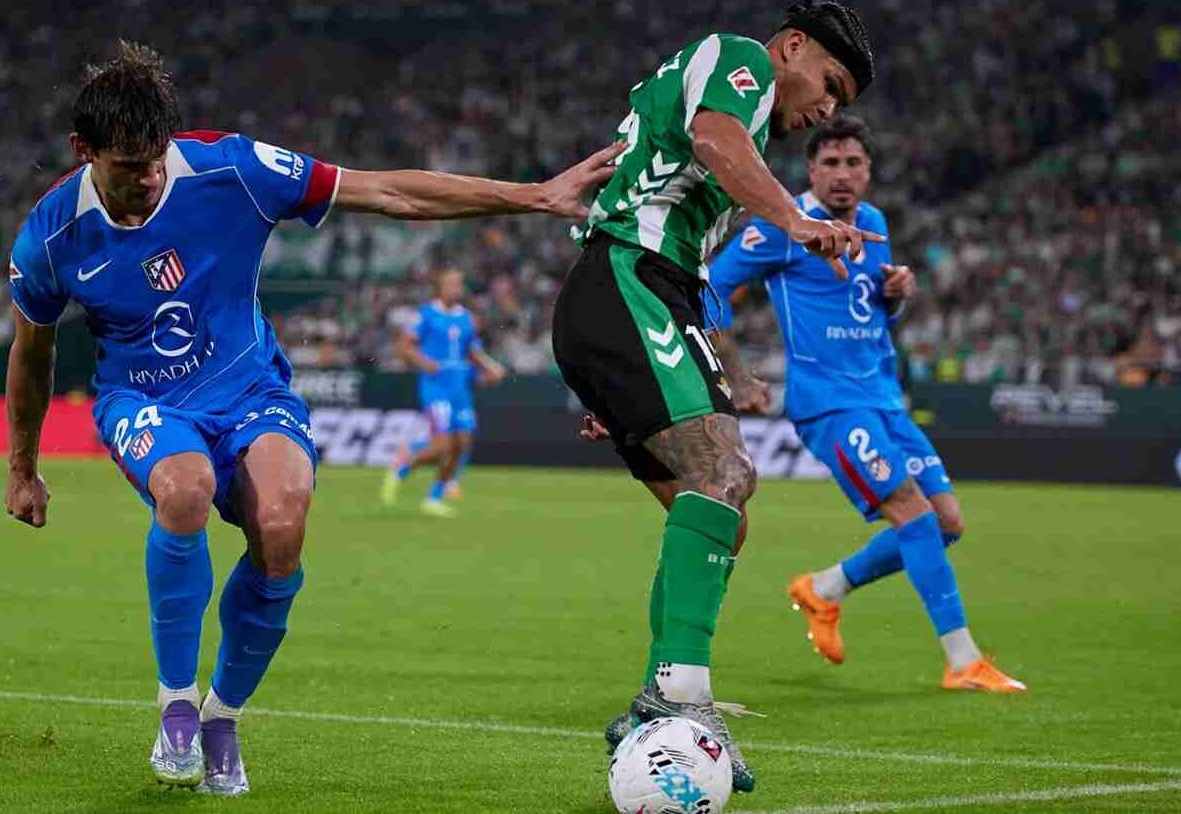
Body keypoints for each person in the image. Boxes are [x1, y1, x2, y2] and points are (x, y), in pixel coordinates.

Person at [2, 41, 620, 795]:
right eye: (131, 166)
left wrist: (536, 195)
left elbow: (387, 193)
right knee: (186, 490)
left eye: (157, 159)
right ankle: (176, 709)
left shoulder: (232, 169)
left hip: (251, 388)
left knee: (283, 523)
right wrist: (23, 469)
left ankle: (223, 717)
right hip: (144, 399)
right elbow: (32, 355)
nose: (150, 177)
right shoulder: (51, 235)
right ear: (84, 151)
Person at [552, 1, 880, 793]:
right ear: (792, 46)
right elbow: (710, 139)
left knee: (723, 510)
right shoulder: (739, 63)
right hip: (629, 277)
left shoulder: (747, 145)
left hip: (645, 299)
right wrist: (795, 220)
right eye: (830, 84)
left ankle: (659, 697)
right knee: (723, 472)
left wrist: (625, 382)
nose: (827, 109)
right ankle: (680, 697)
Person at [706, 113, 1026, 693]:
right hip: (829, 403)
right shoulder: (782, 225)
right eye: (829, 162)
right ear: (810, 171)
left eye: (853, 162)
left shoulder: (873, 223)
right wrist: (737, 372)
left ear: (869, 171)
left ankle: (824, 589)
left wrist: (894, 295)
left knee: (946, 522)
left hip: (884, 397)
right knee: (912, 513)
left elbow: (871, 312)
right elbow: (710, 287)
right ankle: (963, 661)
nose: (842, 174)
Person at [380, 266, 506, 516]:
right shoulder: (425, 314)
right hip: (436, 388)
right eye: (450, 283)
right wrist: (425, 363)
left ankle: (434, 498)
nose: (455, 288)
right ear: (439, 287)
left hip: (460, 388)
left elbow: (473, 352)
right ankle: (400, 470)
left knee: (462, 444)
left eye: (458, 284)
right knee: (442, 446)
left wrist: (491, 368)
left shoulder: (465, 318)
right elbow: (404, 347)